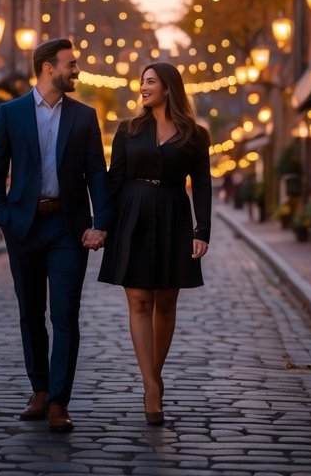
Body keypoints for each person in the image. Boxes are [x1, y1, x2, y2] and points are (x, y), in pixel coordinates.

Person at [0, 38, 111, 433]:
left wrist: (100, 223)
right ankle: (38, 389)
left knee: (65, 314)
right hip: (23, 226)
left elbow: (97, 173)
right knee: (30, 312)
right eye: (70, 64)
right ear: (47, 68)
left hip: (68, 229)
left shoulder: (85, 117)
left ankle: (59, 401)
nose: (76, 71)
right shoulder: (11, 112)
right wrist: (2, 217)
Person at [98, 62, 211, 426]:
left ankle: (154, 374)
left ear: (168, 88)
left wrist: (202, 230)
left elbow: (204, 185)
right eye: (142, 82)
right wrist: (101, 225)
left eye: (150, 82)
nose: (143, 88)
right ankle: (151, 387)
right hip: (132, 214)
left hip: (174, 216)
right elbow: (114, 180)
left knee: (166, 300)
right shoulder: (128, 130)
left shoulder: (195, 135)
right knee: (139, 300)